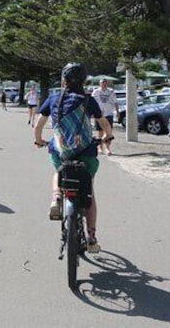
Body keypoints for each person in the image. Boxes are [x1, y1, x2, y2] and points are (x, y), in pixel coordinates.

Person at [34, 62, 113, 253]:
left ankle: (56, 198)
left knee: (58, 172)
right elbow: (104, 124)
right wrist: (107, 137)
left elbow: (38, 125)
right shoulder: (87, 100)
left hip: (61, 152)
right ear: (84, 80)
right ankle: (92, 238)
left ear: (64, 80)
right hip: (86, 153)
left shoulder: (53, 99)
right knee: (89, 191)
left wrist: (39, 140)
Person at [91, 78, 118, 156]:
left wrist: (118, 112)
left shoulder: (111, 92)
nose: (104, 84)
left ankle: (108, 148)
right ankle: (100, 147)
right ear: (100, 84)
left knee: (109, 132)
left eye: (105, 83)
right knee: (100, 131)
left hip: (109, 113)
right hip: (99, 114)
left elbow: (115, 102)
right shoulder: (96, 92)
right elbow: (92, 102)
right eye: (102, 83)